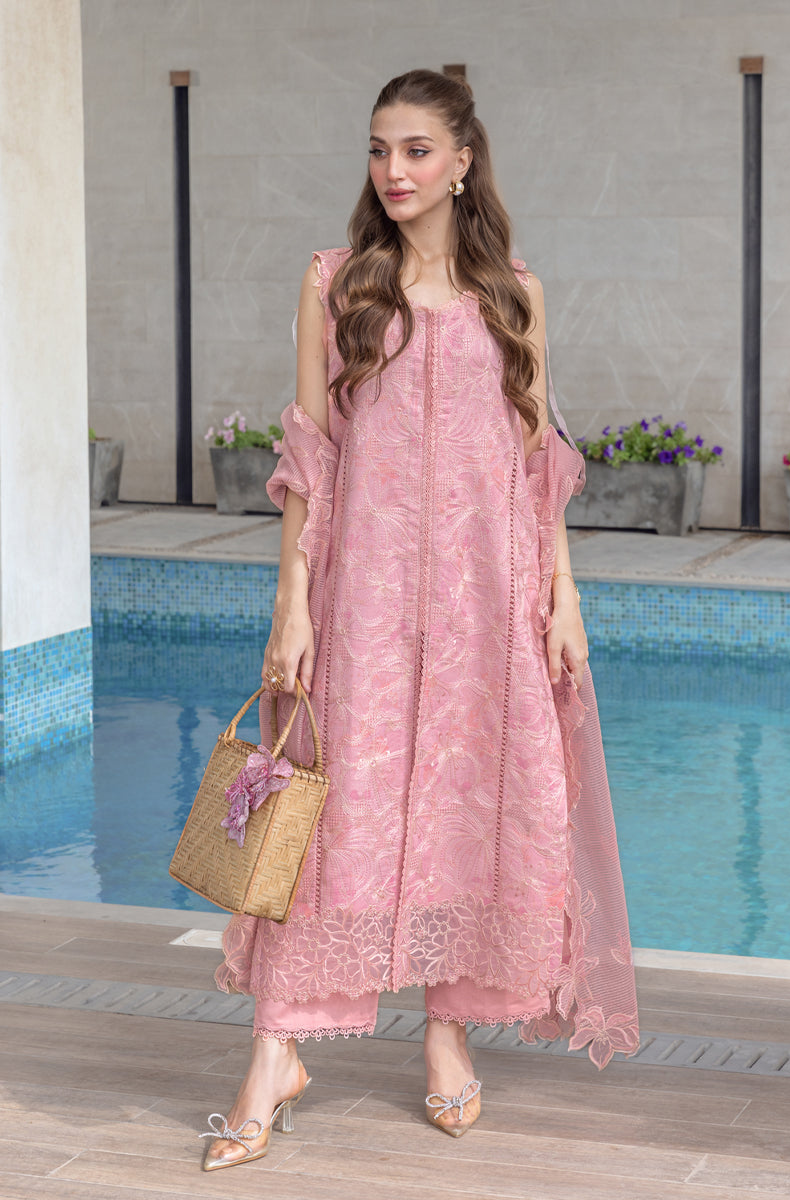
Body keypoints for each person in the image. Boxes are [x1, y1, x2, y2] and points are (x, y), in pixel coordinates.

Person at [199, 68, 638, 1172]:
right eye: (377, 149)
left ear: (461, 162)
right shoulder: (337, 284)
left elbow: (536, 462)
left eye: (414, 150)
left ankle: (447, 1031)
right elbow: (309, 459)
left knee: (470, 810)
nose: (392, 171)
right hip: (365, 601)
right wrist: (290, 604)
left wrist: (564, 594)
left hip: (490, 603)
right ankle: (274, 1053)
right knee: (325, 823)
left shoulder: (514, 295)